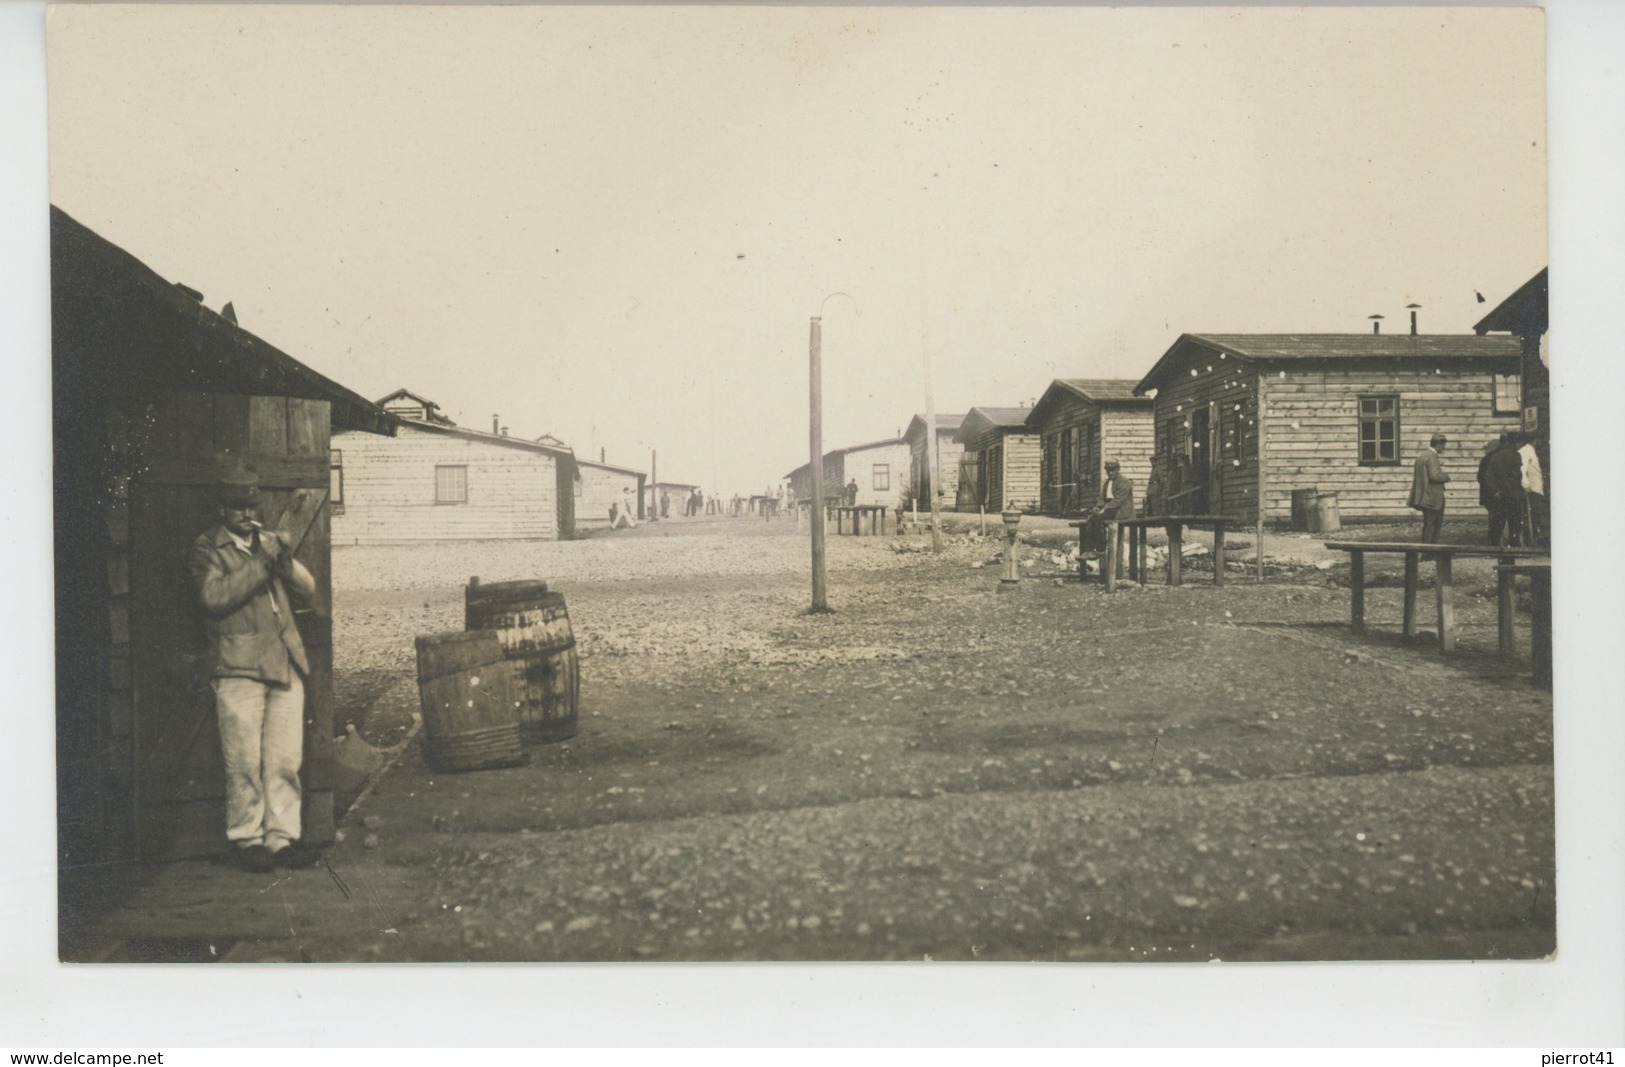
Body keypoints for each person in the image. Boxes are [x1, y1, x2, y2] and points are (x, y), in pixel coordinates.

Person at [186, 479, 319, 873]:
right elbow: (214, 598)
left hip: (285, 662)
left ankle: (281, 839)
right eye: (237, 508)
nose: (247, 515)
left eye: (252, 507)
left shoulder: (265, 540)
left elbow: (307, 590)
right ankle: (246, 839)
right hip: (239, 666)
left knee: (284, 759)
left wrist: (283, 560)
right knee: (242, 761)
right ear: (221, 510)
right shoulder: (206, 548)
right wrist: (262, 563)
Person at [1407, 433, 1450, 543]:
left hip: (1425, 496)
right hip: (1433, 498)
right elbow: (1435, 476)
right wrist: (1446, 476)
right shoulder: (1432, 456)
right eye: (1443, 445)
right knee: (1434, 525)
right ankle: (1430, 553)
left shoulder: (1422, 456)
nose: (1444, 448)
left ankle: (1426, 551)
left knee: (1428, 525)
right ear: (1438, 445)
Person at [1485, 434, 1525, 547]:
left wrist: (1496, 491)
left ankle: (1494, 549)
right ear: (1511, 443)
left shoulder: (1494, 457)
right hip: (1513, 496)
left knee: (1497, 525)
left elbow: (1488, 477)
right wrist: (1507, 489)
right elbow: (1516, 476)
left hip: (1499, 497)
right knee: (1514, 525)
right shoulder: (1515, 456)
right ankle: (1514, 549)